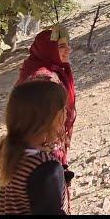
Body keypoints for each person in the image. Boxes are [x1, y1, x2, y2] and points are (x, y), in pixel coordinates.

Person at [0, 80, 72, 215]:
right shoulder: (45, 167)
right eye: (63, 108)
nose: (66, 113)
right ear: (49, 117)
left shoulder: (10, 153)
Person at [16, 25, 76, 166]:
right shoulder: (44, 79)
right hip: (41, 153)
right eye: (61, 46)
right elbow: (38, 122)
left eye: (68, 45)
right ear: (47, 49)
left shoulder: (45, 71)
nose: (68, 50)